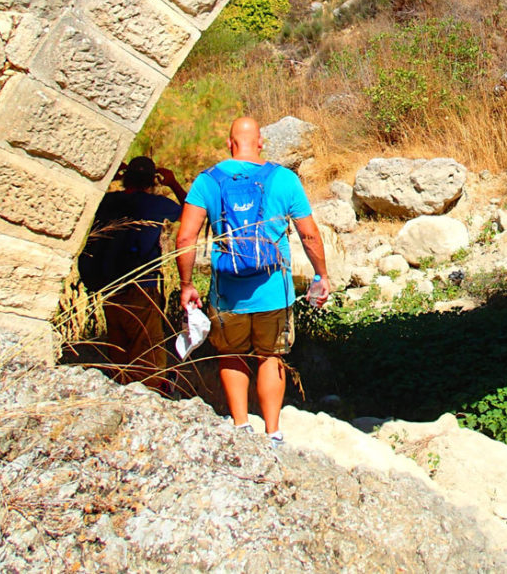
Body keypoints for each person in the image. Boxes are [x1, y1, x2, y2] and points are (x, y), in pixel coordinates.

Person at [176, 116, 330, 444]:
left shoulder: (207, 181)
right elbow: (309, 235)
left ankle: (241, 426)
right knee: (270, 357)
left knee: (231, 354)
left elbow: (185, 238)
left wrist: (186, 285)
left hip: (227, 294)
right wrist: (321, 275)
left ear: (229, 144)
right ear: (261, 142)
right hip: (275, 291)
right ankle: (273, 431)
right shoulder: (284, 179)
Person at [81, 155, 186, 395]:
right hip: (142, 287)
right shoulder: (156, 205)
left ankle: (119, 393)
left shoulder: (107, 201)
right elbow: (192, 210)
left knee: (119, 349)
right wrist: (173, 183)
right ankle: (150, 398)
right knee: (148, 353)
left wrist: (112, 175)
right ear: (153, 180)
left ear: (125, 178)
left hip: (110, 287)